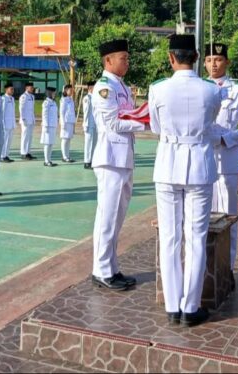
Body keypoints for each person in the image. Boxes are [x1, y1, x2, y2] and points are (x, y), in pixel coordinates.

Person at [149, 33, 222, 327]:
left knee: (169, 237)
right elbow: (211, 121)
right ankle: (190, 307)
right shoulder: (211, 90)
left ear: (171, 58)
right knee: (196, 238)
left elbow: (155, 127)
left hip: (167, 165)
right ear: (195, 57)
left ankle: (171, 305)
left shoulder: (158, 90)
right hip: (199, 167)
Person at [90, 39, 146, 291]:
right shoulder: (104, 88)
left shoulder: (120, 86)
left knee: (117, 217)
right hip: (110, 158)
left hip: (123, 157)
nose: (127, 61)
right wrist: (144, 123)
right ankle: (101, 271)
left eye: (127, 57)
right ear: (108, 60)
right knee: (107, 216)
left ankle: (111, 267)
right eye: (123, 58)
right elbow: (113, 123)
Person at [205, 42, 238, 275]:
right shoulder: (199, 88)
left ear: (227, 62)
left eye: (217, 59)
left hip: (227, 160)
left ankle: (227, 268)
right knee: (203, 215)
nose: (213, 64)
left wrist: (227, 139)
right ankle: (206, 268)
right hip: (203, 159)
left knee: (228, 216)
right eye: (208, 59)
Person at [41, 86, 59, 167]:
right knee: (47, 144)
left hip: (53, 125)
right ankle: (46, 160)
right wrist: (45, 126)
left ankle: (49, 159)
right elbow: (44, 115)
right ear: (49, 93)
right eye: (53, 93)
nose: (54, 94)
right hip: (48, 126)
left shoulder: (54, 102)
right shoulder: (46, 103)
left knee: (51, 143)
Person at [18, 82, 36, 160]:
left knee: (30, 136)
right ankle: (23, 153)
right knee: (25, 136)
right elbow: (21, 108)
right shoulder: (23, 97)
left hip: (31, 119)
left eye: (32, 87)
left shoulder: (32, 96)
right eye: (30, 87)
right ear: (26, 88)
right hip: (25, 120)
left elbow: (31, 109)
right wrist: (23, 118)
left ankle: (28, 152)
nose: (32, 89)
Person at [60, 84, 76, 163]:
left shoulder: (71, 99)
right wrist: (63, 123)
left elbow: (72, 112)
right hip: (65, 122)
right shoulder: (63, 100)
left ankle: (67, 155)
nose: (72, 91)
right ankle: (64, 156)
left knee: (68, 140)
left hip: (70, 122)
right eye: (70, 90)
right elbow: (62, 112)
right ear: (66, 91)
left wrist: (73, 123)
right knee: (65, 139)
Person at [82, 81, 97, 169]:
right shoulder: (87, 98)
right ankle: (87, 161)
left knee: (94, 143)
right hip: (89, 124)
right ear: (90, 88)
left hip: (95, 124)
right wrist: (85, 124)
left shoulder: (95, 98)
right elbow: (86, 112)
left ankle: (91, 160)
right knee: (88, 144)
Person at [0, 82, 16, 163]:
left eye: (13, 89)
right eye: (11, 89)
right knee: (4, 140)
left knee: (9, 140)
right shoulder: (3, 98)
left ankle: (6, 155)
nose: (12, 90)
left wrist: (13, 123)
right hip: (5, 124)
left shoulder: (12, 98)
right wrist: (3, 124)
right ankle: (2, 156)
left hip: (11, 123)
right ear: (6, 90)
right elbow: (2, 112)